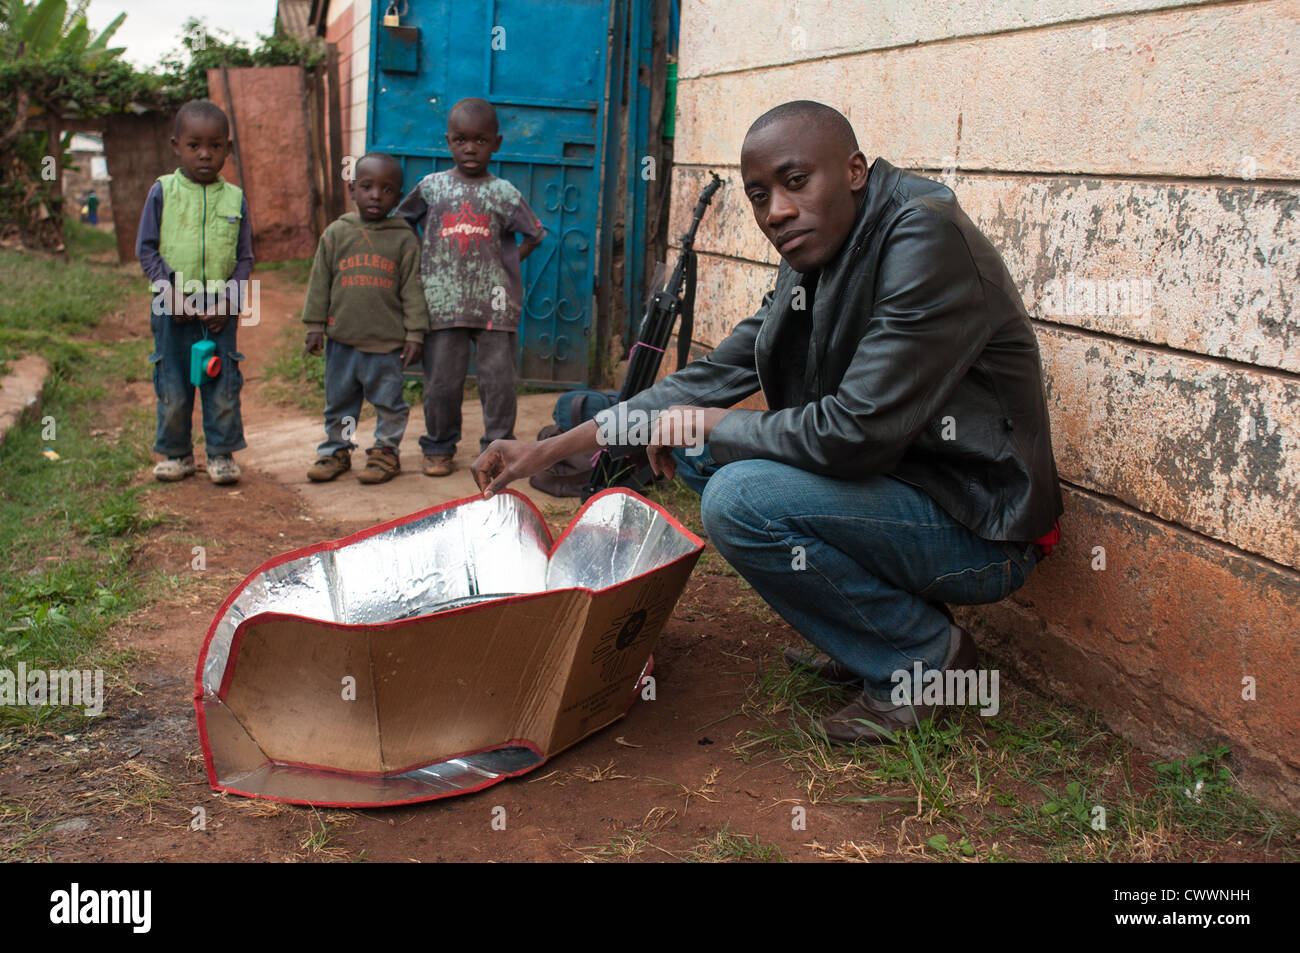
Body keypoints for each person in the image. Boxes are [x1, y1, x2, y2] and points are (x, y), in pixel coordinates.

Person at [471, 101, 1064, 745]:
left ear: (856, 170)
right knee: (700, 449)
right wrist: (549, 448)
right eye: (759, 196)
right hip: (904, 491)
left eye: (795, 181)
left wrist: (697, 426)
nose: (776, 211)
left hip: (979, 527)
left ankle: (921, 658)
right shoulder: (819, 248)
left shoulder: (923, 237)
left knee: (738, 495)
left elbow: (850, 434)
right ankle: (875, 627)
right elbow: (710, 377)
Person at [396, 97, 545, 477]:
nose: (470, 148)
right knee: (442, 383)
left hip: (495, 306)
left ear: (496, 142)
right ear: (448, 141)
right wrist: (423, 256)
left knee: (499, 383)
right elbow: (401, 222)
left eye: (479, 141)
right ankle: (439, 447)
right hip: (443, 304)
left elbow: (534, 233)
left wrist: (506, 263)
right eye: (460, 140)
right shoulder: (432, 187)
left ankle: (498, 450)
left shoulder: (503, 193)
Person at [137, 99, 253, 485]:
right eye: (194, 145)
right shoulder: (163, 191)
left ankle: (220, 455)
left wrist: (230, 301)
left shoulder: (235, 198)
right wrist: (169, 293)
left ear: (228, 149)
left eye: (215, 145)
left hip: (220, 310)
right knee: (173, 383)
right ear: (176, 147)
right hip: (171, 307)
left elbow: (245, 258)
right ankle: (177, 454)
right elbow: (147, 249)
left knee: (221, 384)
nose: (205, 154)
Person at [301, 153, 426, 485]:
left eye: (386, 190)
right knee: (342, 403)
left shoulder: (403, 238)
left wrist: (415, 333)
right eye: (367, 187)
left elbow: (414, 289)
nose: (375, 195)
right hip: (342, 343)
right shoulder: (337, 233)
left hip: (386, 346)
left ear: (398, 198)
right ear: (352, 189)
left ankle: (385, 453)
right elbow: (319, 282)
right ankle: (337, 450)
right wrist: (315, 327)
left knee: (389, 403)